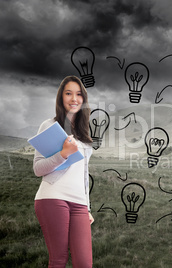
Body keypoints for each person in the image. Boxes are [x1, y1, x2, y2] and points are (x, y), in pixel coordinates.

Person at [33, 75, 94, 268]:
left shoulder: (84, 133)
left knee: (84, 263)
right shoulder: (49, 125)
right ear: (61, 98)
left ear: (83, 99)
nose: (74, 99)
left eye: (78, 94)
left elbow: (84, 175)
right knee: (59, 260)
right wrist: (63, 154)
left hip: (79, 203)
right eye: (68, 93)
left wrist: (87, 207)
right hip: (53, 197)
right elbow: (38, 168)